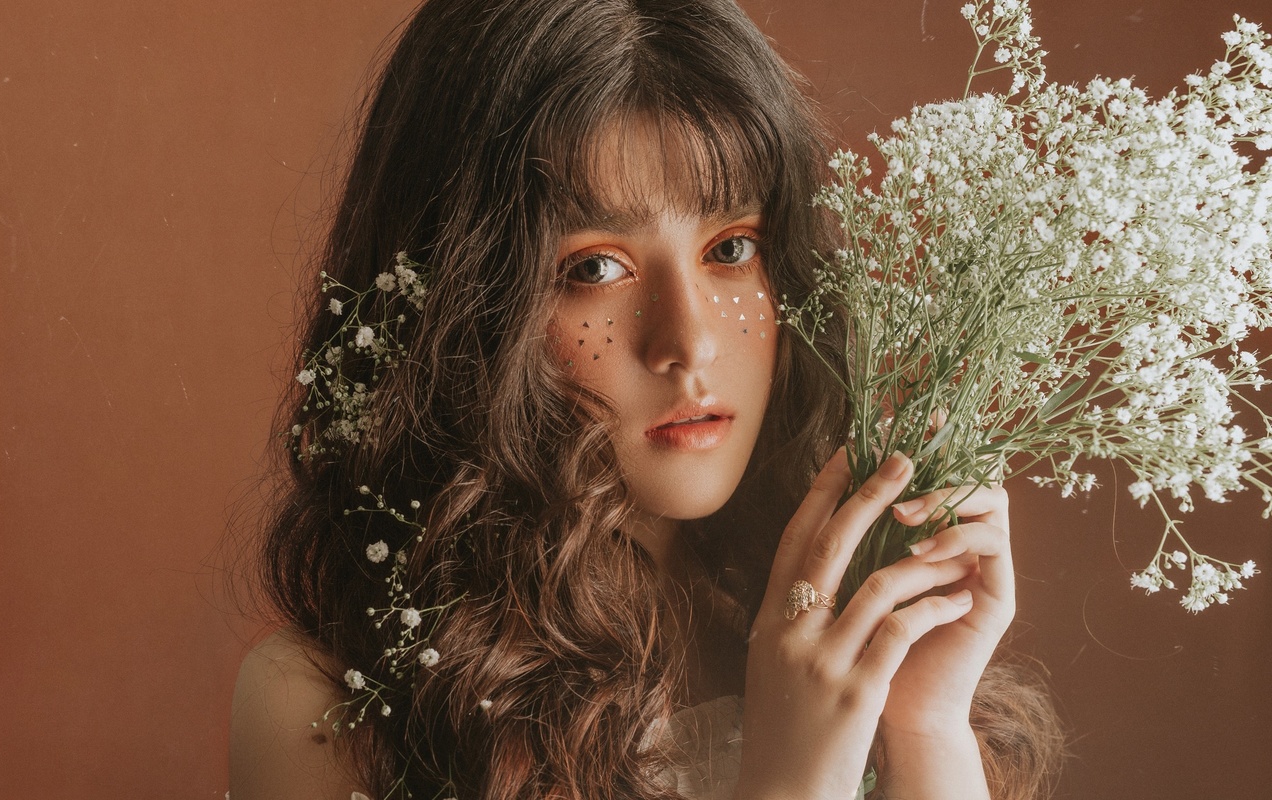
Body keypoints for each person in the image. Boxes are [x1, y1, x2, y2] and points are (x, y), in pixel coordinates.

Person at [229, 1, 1064, 798]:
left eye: (732, 248)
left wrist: (926, 728)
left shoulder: (833, 621)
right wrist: (794, 782)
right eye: (594, 268)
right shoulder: (327, 702)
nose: (689, 343)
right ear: (466, 310)